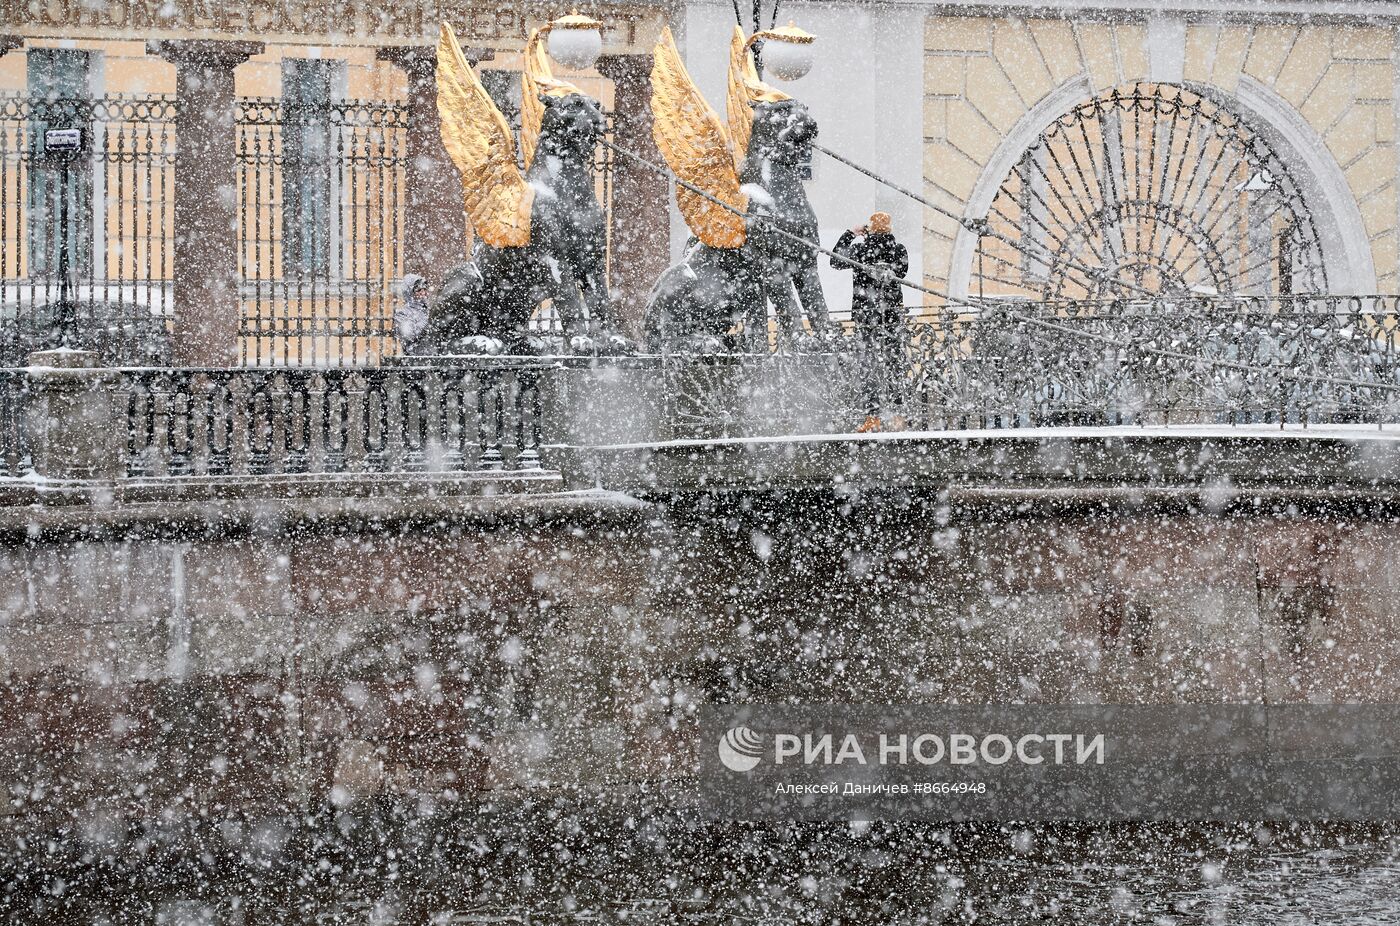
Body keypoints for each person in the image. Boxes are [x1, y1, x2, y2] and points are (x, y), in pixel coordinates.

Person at [832, 212, 909, 432]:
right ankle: (896, 415)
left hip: (865, 317)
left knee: (868, 368)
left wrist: (850, 234)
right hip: (891, 317)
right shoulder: (898, 249)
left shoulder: (859, 251)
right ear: (890, 229)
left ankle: (872, 416)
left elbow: (835, 260)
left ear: (870, 229)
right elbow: (902, 271)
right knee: (894, 365)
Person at [395, 273, 431, 356]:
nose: (423, 293)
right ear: (409, 293)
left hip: (435, 358)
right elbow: (409, 336)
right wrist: (429, 326)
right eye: (418, 290)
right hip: (416, 359)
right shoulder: (402, 314)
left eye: (425, 289)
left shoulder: (428, 310)